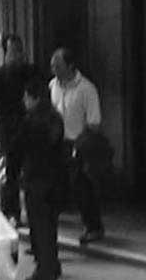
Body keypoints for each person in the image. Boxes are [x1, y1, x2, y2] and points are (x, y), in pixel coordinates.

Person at [9, 81, 70, 280]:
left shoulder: (30, 122)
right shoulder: (55, 118)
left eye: (26, 97)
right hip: (56, 179)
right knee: (51, 225)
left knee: (40, 225)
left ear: (34, 98)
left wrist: (12, 175)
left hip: (36, 179)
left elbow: (16, 151)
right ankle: (53, 263)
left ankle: (45, 268)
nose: (24, 101)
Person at [48, 46, 108, 245]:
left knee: (82, 186)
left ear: (70, 66)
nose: (53, 68)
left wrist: (80, 144)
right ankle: (48, 233)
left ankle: (93, 226)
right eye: (52, 64)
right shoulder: (52, 86)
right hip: (57, 143)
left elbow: (94, 122)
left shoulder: (86, 89)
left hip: (79, 143)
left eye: (58, 65)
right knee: (55, 188)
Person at [0, 34, 40, 220]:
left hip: (30, 129)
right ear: (6, 53)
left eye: (19, 51)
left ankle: (34, 210)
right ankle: (11, 212)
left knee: (33, 172)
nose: (17, 55)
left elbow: (38, 96)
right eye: (13, 51)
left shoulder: (31, 72)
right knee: (11, 173)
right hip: (9, 131)